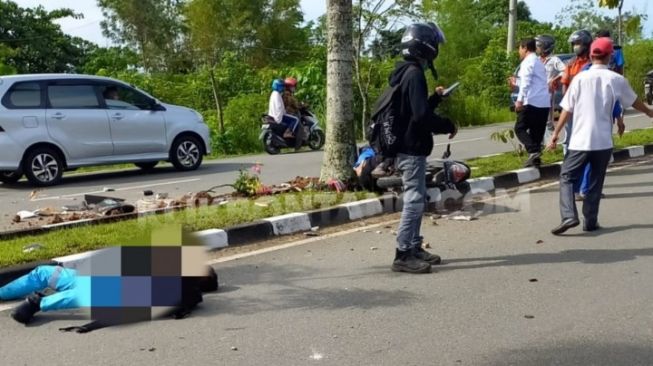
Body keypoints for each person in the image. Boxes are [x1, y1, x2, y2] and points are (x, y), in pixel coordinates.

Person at [547, 37, 653, 235]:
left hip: (579, 141)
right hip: (603, 143)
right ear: (610, 56)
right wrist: (649, 112)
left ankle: (569, 215)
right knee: (596, 181)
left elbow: (566, 110)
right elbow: (634, 101)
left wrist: (556, 133)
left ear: (591, 55)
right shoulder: (616, 79)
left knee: (567, 177)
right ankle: (590, 222)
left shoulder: (579, 78)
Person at [388, 22, 454, 274]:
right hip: (411, 148)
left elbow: (416, 110)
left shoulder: (405, 70)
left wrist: (435, 98)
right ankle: (403, 253)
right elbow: (421, 117)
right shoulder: (414, 74)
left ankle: (414, 246)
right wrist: (446, 124)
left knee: (418, 198)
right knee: (414, 201)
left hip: (409, 147)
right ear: (426, 46)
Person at [514, 38, 551, 167]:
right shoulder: (539, 62)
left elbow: (526, 82)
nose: (519, 51)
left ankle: (533, 151)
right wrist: (516, 82)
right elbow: (534, 82)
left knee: (519, 128)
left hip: (532, 101)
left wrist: (519, 100)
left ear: (525, 48)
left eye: (519, 48)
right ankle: (536, 162)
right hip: (544, 102)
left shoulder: (527, 62)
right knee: (536, 133)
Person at [534, 34, 567, 138]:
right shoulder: (536, 60)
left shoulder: (554, 60)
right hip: (536, 93)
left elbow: (565, 71)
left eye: (538, 46)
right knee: (536, 119)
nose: (536, 49)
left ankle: (551, 141)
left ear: (545, 47)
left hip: (547, 93)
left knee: (548, 119)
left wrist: (555, 79)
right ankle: (539, 143)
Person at [282, 77, 304, 150]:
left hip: (287, 112)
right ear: (290, 86)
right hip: (290, 113)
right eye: (294, 86)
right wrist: (304, 105)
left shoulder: (286, 94)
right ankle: (297, 146)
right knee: (300, 127)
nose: (295, 88)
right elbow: (295, 105)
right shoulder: (287, 95)